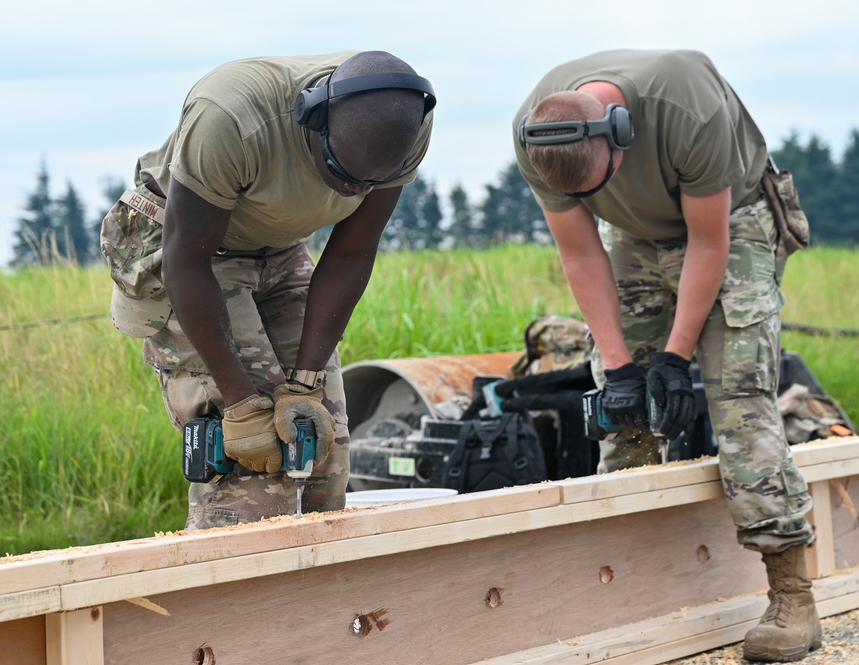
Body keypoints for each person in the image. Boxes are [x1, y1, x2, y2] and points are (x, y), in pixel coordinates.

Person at [512, 50, 820, 662]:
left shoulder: (688, 108)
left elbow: (709, 241)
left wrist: (677, 360)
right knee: (621, 405)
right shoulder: (539, 137)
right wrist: (625, 366)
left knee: (738, 398)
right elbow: (581, 255)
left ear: (620, 134)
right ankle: (634, 588)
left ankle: (793, 598)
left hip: (731, 221)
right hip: (631, 233)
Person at [100, 50, 435, 531]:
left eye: (367, 183)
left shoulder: (404, 121)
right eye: (339, 172)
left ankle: (314, 600)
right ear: (313, 120)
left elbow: (350, 254)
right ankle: (226, 596)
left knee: (322, 444)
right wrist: (240, 403)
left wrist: (304, 384)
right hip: (182, 247)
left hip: (275, 244)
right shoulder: (231, 117)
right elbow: (186, 261)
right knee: (252, 461)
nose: (352, 190)